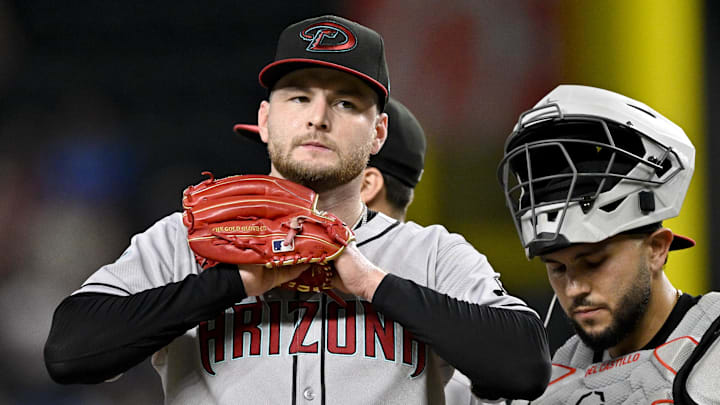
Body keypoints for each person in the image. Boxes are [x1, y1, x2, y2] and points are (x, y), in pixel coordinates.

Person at [44, 15, 551, 404]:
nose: (318, 118)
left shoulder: (431, 254)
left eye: (347, 103)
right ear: (265, 120)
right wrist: (236, 281)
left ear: (379, 133)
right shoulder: (184, 241)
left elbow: (526, 367)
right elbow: (69, 352)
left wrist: (372, 284)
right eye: (298, 97)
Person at [497, 84, 720, 404]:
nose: (573, 289)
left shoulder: (712, 350)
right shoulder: (555, 376)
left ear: (657, 248)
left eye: (594, 262)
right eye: (557, 268)